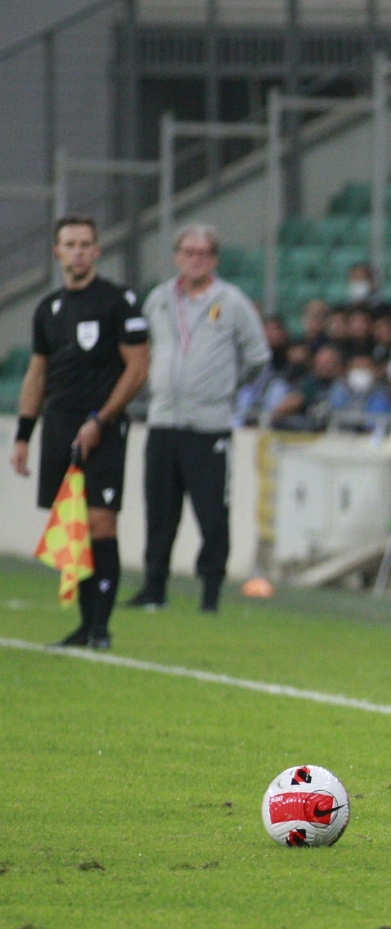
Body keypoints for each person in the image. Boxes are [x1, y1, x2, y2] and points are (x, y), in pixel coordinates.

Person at [10, 215, 150, 648]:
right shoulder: (48, 309)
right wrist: (23, 435)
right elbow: (37, 373)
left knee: (101, 523)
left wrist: (100, 420)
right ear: (57, 252)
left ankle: (101, 629)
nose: (78, 251)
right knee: (74, 529)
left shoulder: (119, 301)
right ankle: (85, 626)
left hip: (103, 429)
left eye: (86, 244)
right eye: (70, 244)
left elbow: (139, 368)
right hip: (58, 427)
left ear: (97, 250)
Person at [131, 223, 269, 615]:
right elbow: (143, 349)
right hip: (162, 419)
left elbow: (258, 357)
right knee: (159, 510)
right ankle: (154, 588)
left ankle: (210, 594)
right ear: (177, 257)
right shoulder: (158, 299)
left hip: (209, 425)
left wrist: (226, 391)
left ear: (215, 259)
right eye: (189, 252)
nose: (196, 259)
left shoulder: (232, 301)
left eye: (204, 253)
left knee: (212, 514)